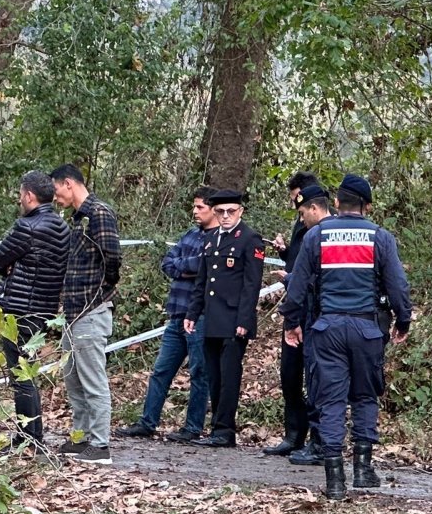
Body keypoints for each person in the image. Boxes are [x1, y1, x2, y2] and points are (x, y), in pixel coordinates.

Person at [282, 174, 411, 500]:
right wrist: (403, 321)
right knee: (365, 396)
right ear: (367, 206)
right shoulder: (380, 238)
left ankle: (335, 478)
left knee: (331, 400)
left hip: (327, 330)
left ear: (337, 203)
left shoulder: (316, 236)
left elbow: (297, 286)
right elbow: (397, 286)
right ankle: (364, 469)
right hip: (368, 329)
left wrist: (291, 322)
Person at [118, 188, 217, 442]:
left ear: (213, 209)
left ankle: (192, 428)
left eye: (200, 208)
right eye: (194, 207)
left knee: (199, 373)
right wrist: (188, 266)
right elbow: (168, 263)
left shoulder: (219, 239)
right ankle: (147, 422)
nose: (195, 212)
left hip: (200, 317)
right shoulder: (190, 235)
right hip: (176, 315)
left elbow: (201, 265)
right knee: (161, 371)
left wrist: (186, 265)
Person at [0, 170, 71, 452]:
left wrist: (12, 266)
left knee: (21, 376)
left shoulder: (28, 227)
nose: (19, 200)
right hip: (44, 309)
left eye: (20, 194)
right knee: (28, 373)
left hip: (19, 310)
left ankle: (28, 439)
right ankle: (32, 437)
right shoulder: (62, 227)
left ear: (29, 196)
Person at [184, 189, 266, 448]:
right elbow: (203, 281)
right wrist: (192, 313)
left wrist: (244, 320)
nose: (226, 216)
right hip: (212, 318)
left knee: (229, 376)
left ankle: (225, 429)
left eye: (231, 211)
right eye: (220, 212)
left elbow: (251, 285)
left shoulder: (250, 239)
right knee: (214, 375)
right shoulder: (211, 240)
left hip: (234, 320)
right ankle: (218, 427)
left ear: (240, 211)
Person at [51, 164, 121, 465]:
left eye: (56, 191)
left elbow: (113, 257)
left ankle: (100, 445)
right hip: (73, 313)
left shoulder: (99, 213)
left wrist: (100, 291)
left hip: (91, 311)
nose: (56, 198)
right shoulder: (77, 220)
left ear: (69, 184)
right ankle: (81, 438)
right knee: (73, 381)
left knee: (93, 381)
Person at [264, 173, 329, 457]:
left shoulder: (326, 227)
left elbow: (313, 272)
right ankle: (294, 434)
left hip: (314, 310)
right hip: (295, 306)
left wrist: (292, 279)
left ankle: (319, 438)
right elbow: (298, 261)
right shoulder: (301, 225)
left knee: (316, 377)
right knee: (289, 374)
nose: (296, 211)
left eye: (298, 203)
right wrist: (284, 252)